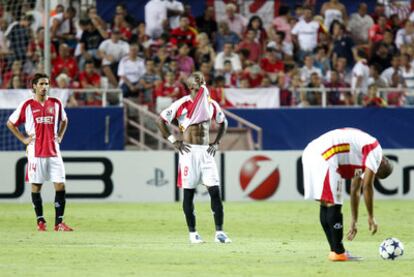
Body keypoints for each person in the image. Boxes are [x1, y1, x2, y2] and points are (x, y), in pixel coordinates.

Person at [157, 72, 231, 244]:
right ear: (190, 85)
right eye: (197, 79)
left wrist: (216, 142)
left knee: (215, 193)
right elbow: (160, 121)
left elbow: (224, 123)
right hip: (188, 153)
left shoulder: (211, 104)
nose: (201, 81)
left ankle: (219, 232)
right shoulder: (181, 103)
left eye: (202, 78)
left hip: (206, 152)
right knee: (189, 194)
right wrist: (174, 141)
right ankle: (193, 234)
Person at [302, 128, 393, 261]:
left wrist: (354, 221)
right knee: (334, 203)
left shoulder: (361, 158)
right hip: (325, 156)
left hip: (313, 152)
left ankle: (335, 251)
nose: (371, 174)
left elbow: (355, 189)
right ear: (381, 164)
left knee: (326, 203)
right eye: (375, 174)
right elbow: (367, 187)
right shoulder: (375, 152)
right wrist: (371, 217)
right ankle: (339, 252)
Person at [6, 73, 73, 232]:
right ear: (34, 86)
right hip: (35, 152)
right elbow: (10, 123)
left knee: (60, 185)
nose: (44, 87)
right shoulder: (27, 105)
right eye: (41, 84)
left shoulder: (56, 103)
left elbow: (65, 120)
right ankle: (40, 221)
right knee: (36, 186)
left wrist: (61, 136)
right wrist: (23, 139)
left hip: (54, 151)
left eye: (47, 84)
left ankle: (59, 223)